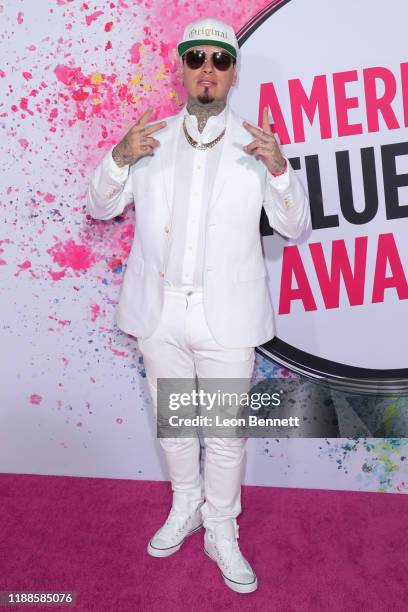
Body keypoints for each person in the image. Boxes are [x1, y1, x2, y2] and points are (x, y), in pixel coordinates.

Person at [86, 17, 310, 594]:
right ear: (181, 68)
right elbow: (102, 207)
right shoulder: (148, 140)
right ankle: (185, 506)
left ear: (234, 73)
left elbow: (295, 227)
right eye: (196, 58)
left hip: (227, 315)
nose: (207, 68)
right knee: (177, 427)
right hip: (159, 311)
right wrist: (117, 155)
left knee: (225, 433)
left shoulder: (257, 144)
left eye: (220, 59)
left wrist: (280, 172)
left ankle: (221, 529)